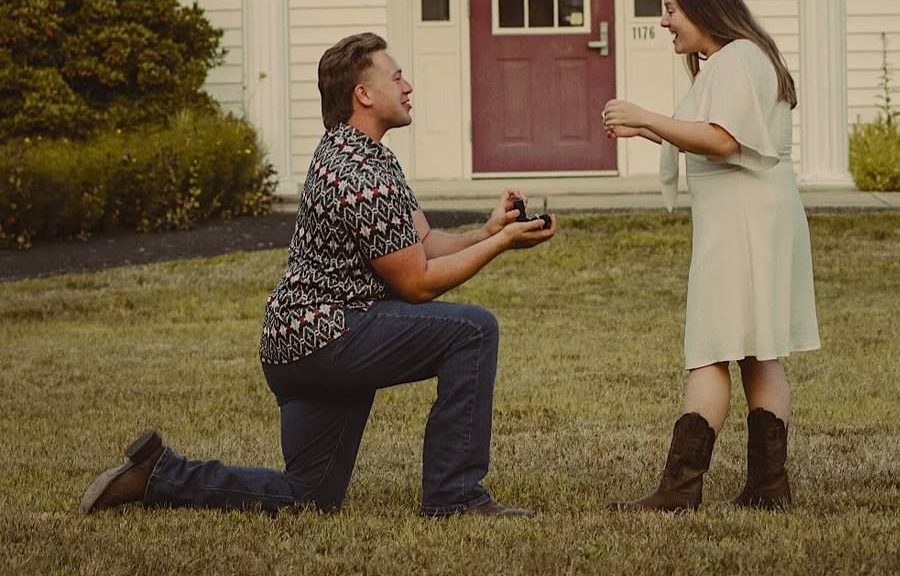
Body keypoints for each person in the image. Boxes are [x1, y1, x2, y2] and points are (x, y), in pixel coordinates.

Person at [80, 32, 556, 520]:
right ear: (364, 95)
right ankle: (455, 496)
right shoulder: (359, 172)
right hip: (330, 335)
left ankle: (159, 475)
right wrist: (502, 245)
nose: (408, 85)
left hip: (296, 343)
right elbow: (416, 283)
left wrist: (488, 230)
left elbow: (423, 247)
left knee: (309, 496)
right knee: (474, 331)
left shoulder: (361, 154)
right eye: (397, 77)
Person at [601, 0, 819, 512]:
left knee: (713, 347)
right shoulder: (737, 59)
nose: (664, 20)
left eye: (672, 8)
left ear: (703, 8)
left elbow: (722, 140)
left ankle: (680, 491)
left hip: (745, 220)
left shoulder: (739, 58)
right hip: (752, 214)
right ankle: (768, 489)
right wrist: (647, 129)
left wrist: (644, 113)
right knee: (755, 348)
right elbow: (716, 134)